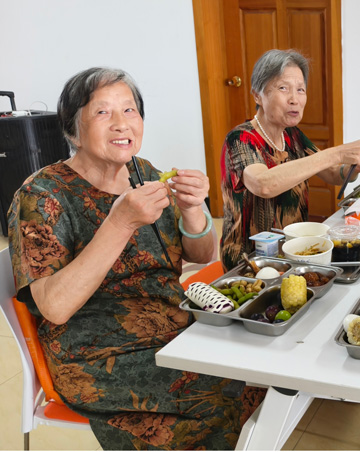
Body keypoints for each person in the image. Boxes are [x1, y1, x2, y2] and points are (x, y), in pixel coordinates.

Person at [7, 67, 265, 450]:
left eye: (130, 110)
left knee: (262, 365)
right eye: (101, 112)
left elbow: (201, 253)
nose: (120, 123)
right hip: (95, 353)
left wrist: (195, 209)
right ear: (72, 129)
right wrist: (119, 223)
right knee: (224, 386)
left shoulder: (145, 173)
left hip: (173, 325)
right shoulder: (42, 195)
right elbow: (54, 307)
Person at [220, 49, 360, 270]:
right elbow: (263, 184)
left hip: (297, 254)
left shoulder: (292, 135)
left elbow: (334, 173)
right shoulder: (241, 139)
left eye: (300, 90)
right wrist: (335, 153)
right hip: (252, 263)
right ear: (257, 95)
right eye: (283, 88)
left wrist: (357, 167)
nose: (294, 99)